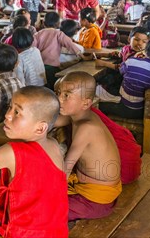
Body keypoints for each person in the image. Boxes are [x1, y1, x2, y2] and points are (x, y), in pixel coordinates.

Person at [0, 86, 68, 237]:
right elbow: (32, 151)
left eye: (17, 112)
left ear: (40, 128)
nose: (7, 115)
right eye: (10, 107)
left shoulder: (11, 152)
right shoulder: (53, 144)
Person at [53, 72, 121, 222]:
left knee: (45, 210)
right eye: (59, 93)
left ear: (85, 103)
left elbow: (67, 167)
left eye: (66, 96)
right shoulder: (81, 115)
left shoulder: (87, 127)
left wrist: (51, 195)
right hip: (88, 190)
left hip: (95, 201)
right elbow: (51, 122)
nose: (59, 99)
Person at [98, 35, 150, 119]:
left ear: (147, 47)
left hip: (125, 106)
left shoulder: (132, 61)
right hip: (142, 110)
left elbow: (121, 71)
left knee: (99, 104)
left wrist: (135, 57)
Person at [33, 12, 83, 88]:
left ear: (43, 22)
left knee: (43, 86)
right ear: (58, 24)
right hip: (52, 66)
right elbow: (69, 44)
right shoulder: (58, 34)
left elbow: (32, 49)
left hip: (39, 65)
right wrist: (79, 53)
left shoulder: (37, 34)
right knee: (53, 86)